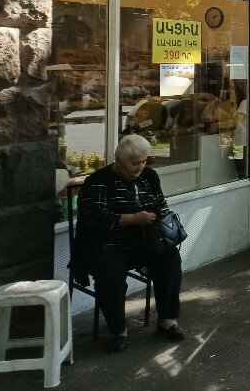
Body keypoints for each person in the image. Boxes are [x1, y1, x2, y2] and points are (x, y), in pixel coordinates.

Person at [72, 135, 184, 353]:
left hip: (146, 241)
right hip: (109, 243)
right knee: (109, 273)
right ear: (118, 159)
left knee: (170, 260)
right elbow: (93, 216)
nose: (140, 167)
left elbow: (160, 203)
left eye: (144, 161)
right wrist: (133, 219)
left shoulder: (150, 176)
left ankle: (167, 320)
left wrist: (160, 214)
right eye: (135, 163)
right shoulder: (98, 180)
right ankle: (118, 330)